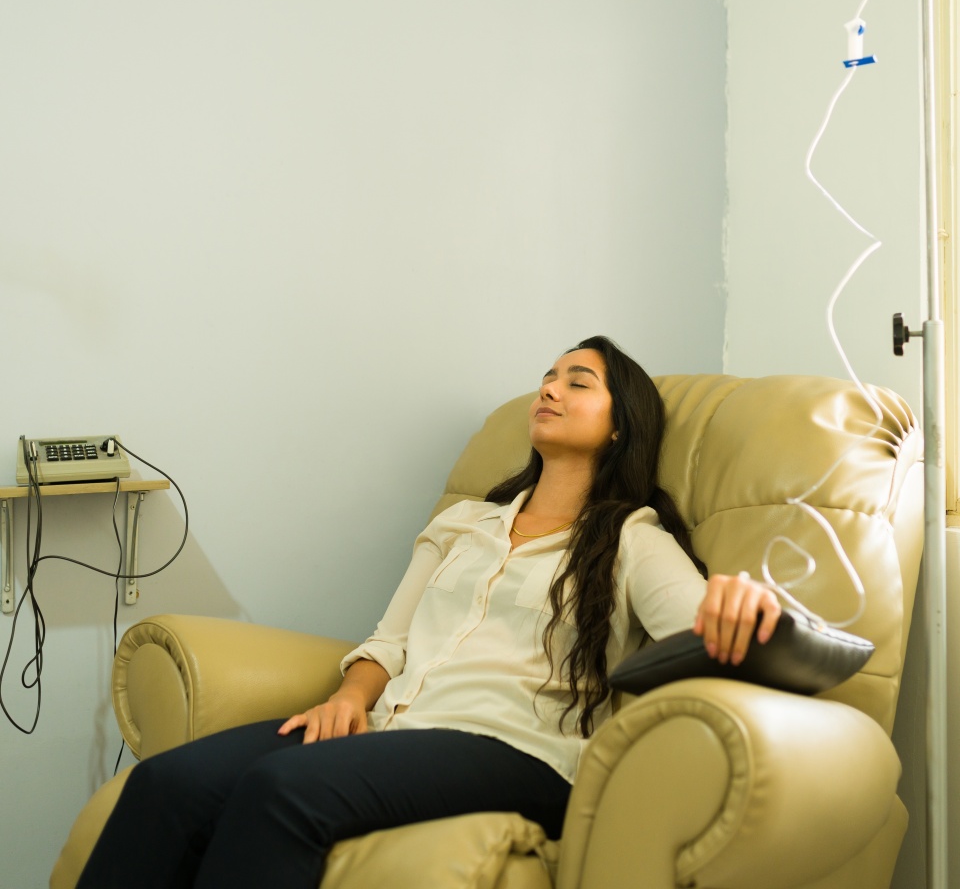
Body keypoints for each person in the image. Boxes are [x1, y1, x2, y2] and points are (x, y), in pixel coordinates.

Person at [77, 335, 781, 889]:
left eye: (577, 381)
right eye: (549, 375)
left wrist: (744, 602)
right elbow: (389, 640)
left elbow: (702, 632)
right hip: (397, 727)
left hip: (518, 749)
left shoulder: (632, 537)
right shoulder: (466, 524)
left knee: (279, 789)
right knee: (166, 784)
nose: (549, 387)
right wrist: (348, 699)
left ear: (620, 426)